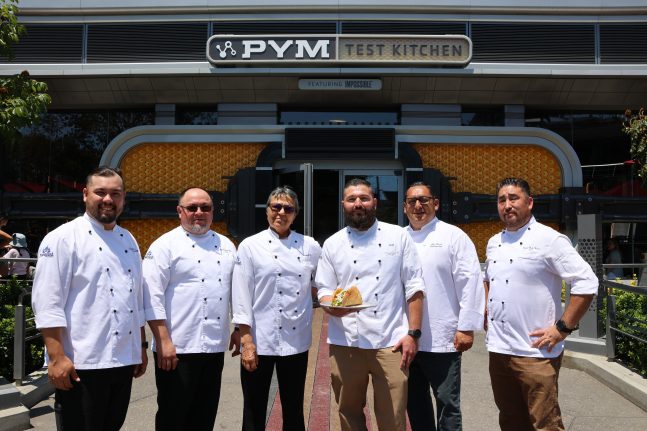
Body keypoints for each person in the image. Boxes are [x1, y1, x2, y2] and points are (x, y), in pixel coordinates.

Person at [31, 167, 147, 431]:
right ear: (85, 194)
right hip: (82, 362)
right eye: (101, 192)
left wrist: (139, 347)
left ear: (123, 198)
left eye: (115, 193)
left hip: (122, 361)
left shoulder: (128, 239)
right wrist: (56, 357)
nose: (108, 199)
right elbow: (48, 302)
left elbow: (134, 298)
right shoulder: (62, 238)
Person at [484, 177, 598, 431]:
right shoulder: (494, 242)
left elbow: (587, 282)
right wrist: (485, 308)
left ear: (530, 202)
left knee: (544, 423)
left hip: (535, 353)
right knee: (510, 420)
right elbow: (488, 279)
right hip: (499, 350)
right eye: (502, 200)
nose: (507, 205)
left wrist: (562, 328)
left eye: (514, 198)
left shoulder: (550, 239)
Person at [315, 178, 425, 431]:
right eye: (352, 199)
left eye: (364, 198)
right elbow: (324, 289)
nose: (358, 204)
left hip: (391, 342)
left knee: (393, 417)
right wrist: (331, 306)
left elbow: (415, 287)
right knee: (348, 414)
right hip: (346, 342)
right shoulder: (333, 243)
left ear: (374, 202)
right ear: (343, 204)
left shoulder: (398, 236)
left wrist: (413, 335)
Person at [143, 187, 238, 431]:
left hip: (214, 346)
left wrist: (239, 327)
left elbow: (237, 292)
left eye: (205, 208)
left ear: (213, 211)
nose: (199, 212)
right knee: (173, 416)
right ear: (180, 211)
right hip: (176, 348)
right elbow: (150, 296)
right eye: (192, 208)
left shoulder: (226, 245)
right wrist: (162, 340)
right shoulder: (164, 245)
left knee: (204, 415)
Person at [232, 186, 321, 431]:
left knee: (293, 408)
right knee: (253, 407)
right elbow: (241, 295)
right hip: (260, 339)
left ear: (296, 214)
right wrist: (246, 340)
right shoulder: (250, 246)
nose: (281, 212)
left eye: (288, 208)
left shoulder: (310, 246)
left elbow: (320, 285)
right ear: (267, 211)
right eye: (276, 207)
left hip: (296, 339)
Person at [403, 182, 485, 431]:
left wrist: (467, 328)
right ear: (405, 207)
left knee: (447, 404)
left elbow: (470, 282)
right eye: (412, 202)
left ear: (435, 203)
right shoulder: (398, 238)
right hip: (406, 339)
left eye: (424, 200)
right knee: (414, 404)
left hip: (444, 339)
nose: (418, 206)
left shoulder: (453, 236)